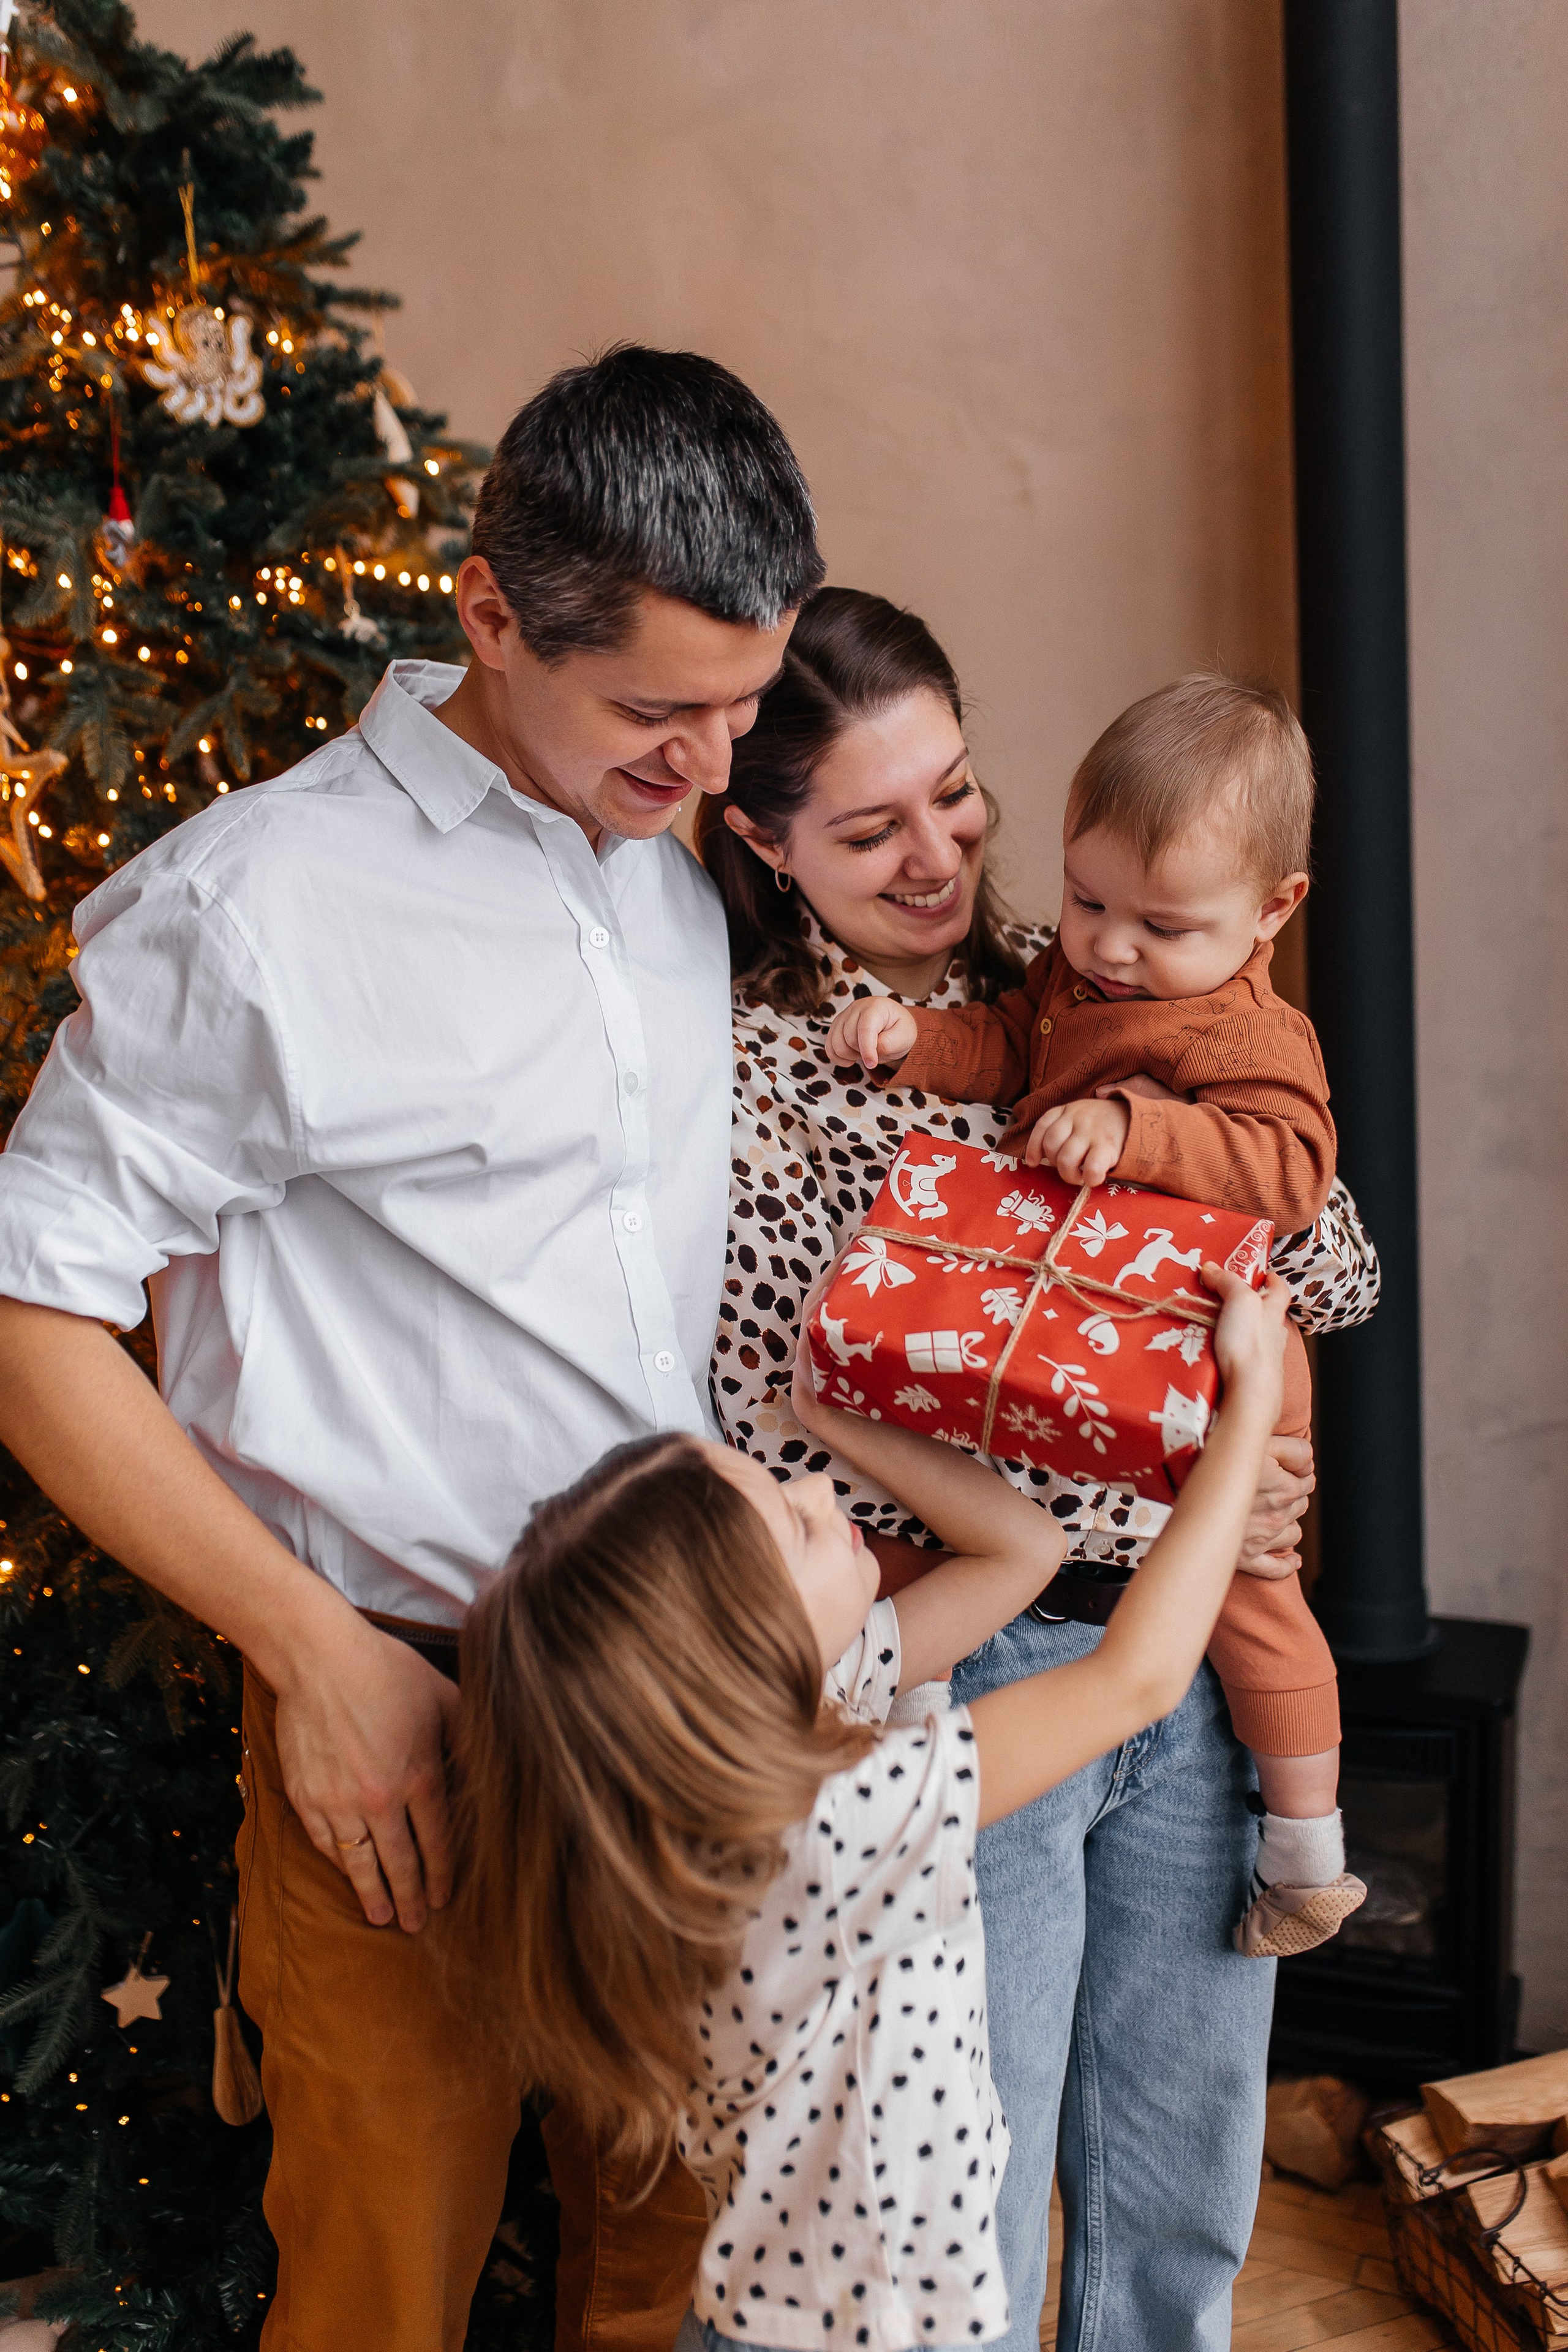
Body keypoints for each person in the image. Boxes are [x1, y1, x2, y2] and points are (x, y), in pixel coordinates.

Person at [0, 346, 824, 2352]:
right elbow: (27, 1315)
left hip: (685, 1712)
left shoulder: (668, 860)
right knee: (383, 2297)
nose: (714, 764)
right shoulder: (257, 907)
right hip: (402, 1715)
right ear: (489, 616)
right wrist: (316, 1653)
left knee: (669, 2274)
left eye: (744, 703)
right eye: (657, 710)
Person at [695, 587, 1382, 2351]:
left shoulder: (1085, 975)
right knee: (977, 2192)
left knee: (1179, 2178)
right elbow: (789, 1417)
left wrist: (1241, 1428)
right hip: (977, 1679)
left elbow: (1335, 1260)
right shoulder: (755, 1077)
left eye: (953, 793)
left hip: (1191, 1655)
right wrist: (1190, 1464)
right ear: (764, 842)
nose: (937, 855)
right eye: (870, 828)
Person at [459, 1250, 1291, 2352]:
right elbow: (1135, 1679)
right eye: (795, 1523)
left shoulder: (816, 1719)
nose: (817, 1490)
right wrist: (1244, 1419)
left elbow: (1027, 1550)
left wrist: (834, 1413)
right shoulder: (839, 1823)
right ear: (738, 1654)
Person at [824, 672, 1368, 1961]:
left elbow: (1294, 1170)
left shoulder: (1247, 1029)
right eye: (1086, 902)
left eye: (1160, 925)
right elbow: (1009, 1045)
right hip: (1104, 1356)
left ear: (1273, 909)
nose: (1109, 949)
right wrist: (912, 1042)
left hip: (1224, 1348)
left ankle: (1305, 1849)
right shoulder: (1073, 978)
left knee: (1250, 1593)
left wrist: (1134, 1129)